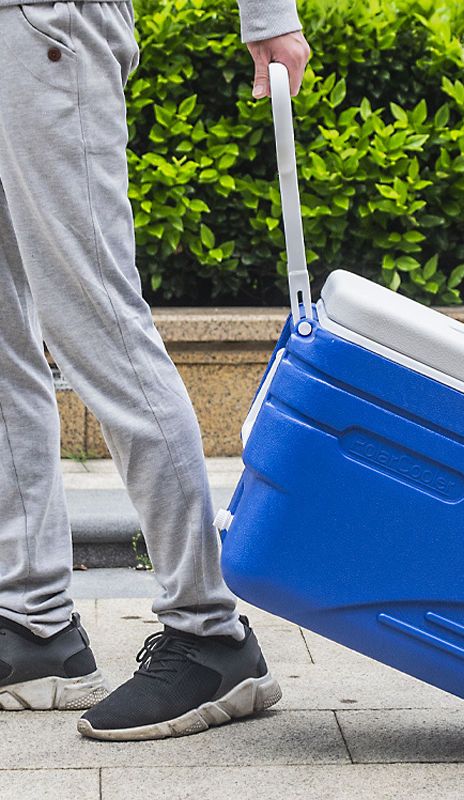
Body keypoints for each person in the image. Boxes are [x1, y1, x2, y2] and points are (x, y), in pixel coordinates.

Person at [0, 0, 310, 740]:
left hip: (43, 27)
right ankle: (35, 627)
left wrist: (268, 13)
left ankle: (210, 634)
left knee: (98, 325)